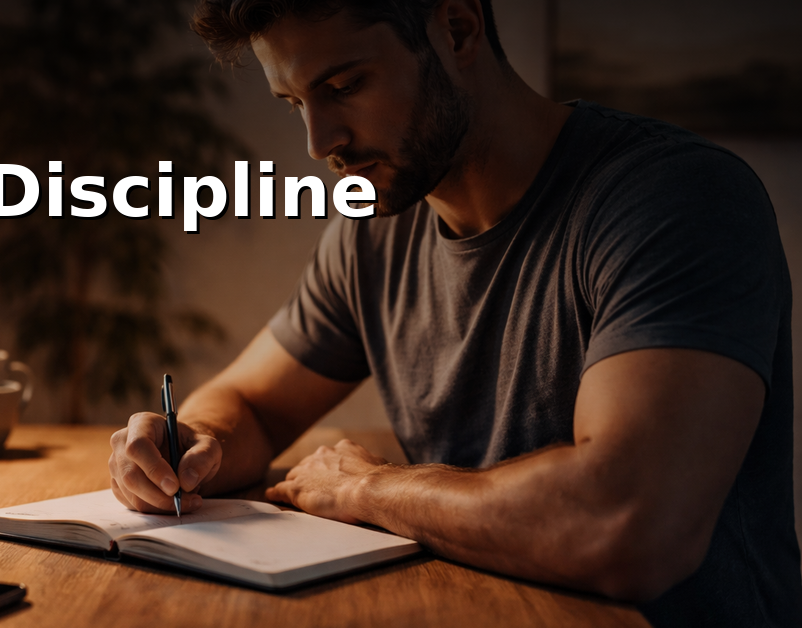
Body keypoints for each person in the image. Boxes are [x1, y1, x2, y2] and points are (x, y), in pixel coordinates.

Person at [106, 1, 802, 625]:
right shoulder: (370, 234)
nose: (319, 143)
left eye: (343, 86)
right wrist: (190, 444)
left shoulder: (674, 202)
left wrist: (372, 490)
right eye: (293, 102)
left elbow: (627, 524)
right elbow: (250, 404)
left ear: (458, 28)